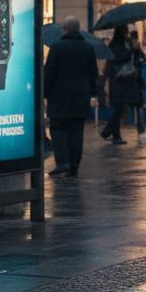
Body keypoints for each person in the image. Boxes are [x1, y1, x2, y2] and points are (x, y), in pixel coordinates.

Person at [43, 17, 98, 178]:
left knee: (57, 127)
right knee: (76, 130)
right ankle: (74, 165)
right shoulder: (88, 47)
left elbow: (49, 73)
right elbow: (93, 73)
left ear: (64, 29)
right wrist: (93, 93)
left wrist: (45, 93)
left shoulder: (57, 47)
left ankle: (62, 162)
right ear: (78, 29)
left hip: (59, 96)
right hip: (81, 95)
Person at [101, 26, 146, 146]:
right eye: (124, 30)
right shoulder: (115, 45)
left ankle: (115, 135)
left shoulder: (128, 43)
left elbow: (140, 58)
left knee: (120, 108)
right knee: (119, 108)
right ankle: (109, 133)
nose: (126, 32)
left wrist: (137, 49)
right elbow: (120, 59)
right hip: (117, 81)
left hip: (127, 81)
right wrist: (132, 49)